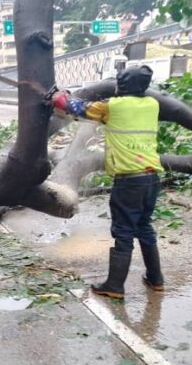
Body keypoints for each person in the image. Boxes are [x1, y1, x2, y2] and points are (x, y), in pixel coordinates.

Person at [52, 65, 164, 300]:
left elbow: (78, 108)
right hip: (151, 177)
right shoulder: (152, 105)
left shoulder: (112, 107)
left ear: (122, 85)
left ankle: (114, 285)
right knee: (144, 226)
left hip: (129, 180)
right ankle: (156, 279)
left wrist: (60, 97)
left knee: (123, 231)